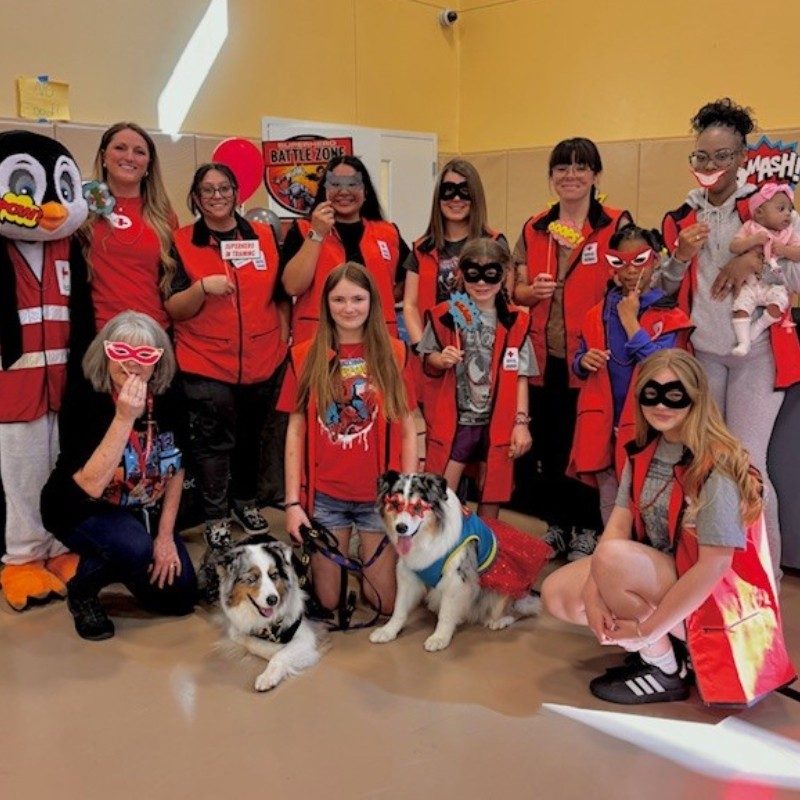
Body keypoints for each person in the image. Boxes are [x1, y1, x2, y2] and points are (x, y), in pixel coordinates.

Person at [541, 349, 795, 707]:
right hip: (669, 576)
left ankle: (663, 669)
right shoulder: (643, 451)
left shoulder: (715, 466)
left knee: (614, 559)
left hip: (716, 600)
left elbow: (714, 567)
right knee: (558, 593)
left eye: (675, 395)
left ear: (696, 398)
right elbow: (617, 526)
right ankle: (670, 646)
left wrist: (647, 629)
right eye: (651, 393)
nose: (661, 405)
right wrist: (595, 596)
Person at [661, 98, 800, 575]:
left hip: (757, 353)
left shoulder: (769, 205)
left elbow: (798, 273)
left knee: (748, 463)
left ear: (742, 157)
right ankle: (713, 572)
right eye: (702, 156)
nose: (711, 166)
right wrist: (679, 255)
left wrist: (756, 259)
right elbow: (663, 287)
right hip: (703, 354)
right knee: (709, 461)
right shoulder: (681, 215)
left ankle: (766, 573)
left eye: (722, 156)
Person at [41, 312, 197, 640]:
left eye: (144, 355)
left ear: (158, 362)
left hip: (141, 507)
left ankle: (121, 554)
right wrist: (125, 417)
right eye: (120, 353)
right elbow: (91, 485)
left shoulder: (170, 396)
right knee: (134, 548)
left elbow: (178, 467)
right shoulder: (86, 397)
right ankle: (82, 590)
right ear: (105, 353)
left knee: (180, 598)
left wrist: (166, 537)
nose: (132, 364)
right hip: (80, 507)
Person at [512, 137, 631, 560]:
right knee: (549, 444)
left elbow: (633, 279)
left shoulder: (616, 224)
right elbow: (517, 292)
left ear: (596, 175)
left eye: (581, 168)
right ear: (551, 177)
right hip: (546, 356)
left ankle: (587, 528)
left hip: (595, 357)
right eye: (562, 168)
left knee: (589, 446)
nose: (571, 176)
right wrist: (531, 290)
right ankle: (558, 525)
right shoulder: (535, 226)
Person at [279, 262, 418, 614]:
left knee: (384, 604)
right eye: (339, 299)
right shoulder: (304, 355)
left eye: (358, 298)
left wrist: (407, 492)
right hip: (327, 496)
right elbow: (295, 431)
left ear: (372, 302)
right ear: (326, 304)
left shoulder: (394, 352)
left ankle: (366, 561)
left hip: (378, 496)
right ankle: (340, 565)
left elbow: (407, 427)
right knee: (329, 603)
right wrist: (293, 504)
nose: (349, 308)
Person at [164, 163, 290, 548]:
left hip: (262, 359)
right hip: (206, 363)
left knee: (252, 439)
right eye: (207, 190)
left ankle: (245, 501)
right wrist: (202, 288)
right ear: (196, 198)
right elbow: (173, 307)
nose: (217, 196)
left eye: (224, 188)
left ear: (238, 193)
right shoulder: (181, 240)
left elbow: (282, 295)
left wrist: (282, 339)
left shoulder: (266, 236)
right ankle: (215, 515)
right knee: (213, 444)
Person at [568, 225, 692, 529]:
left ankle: (639, 561)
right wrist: (584, 361)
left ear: (656, 261)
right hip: (602, 422)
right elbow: (577, 360)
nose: (629, 271)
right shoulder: (596, 313)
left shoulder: (669, 314)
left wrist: (630, 320)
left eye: (640, 260)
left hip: (645, 426)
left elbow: (662, 368)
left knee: (642, 497)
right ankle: (612, 557)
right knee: (609, 497)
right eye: (619, 262)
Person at [418, 238, 536, 519]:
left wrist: (521, 423)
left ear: (505, 273)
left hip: (498, 421)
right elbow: (427, 359)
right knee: (442, 489)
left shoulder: (516, 322)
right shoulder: (446, 316)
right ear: (460, 273)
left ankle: (487, 548)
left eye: (491, 274)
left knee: (492, 488)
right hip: (458, 420)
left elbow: (521, 376)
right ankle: (439, 546)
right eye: (473, 274)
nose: (481, 283)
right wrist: (441, 358)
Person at [281, 155, 409, 343]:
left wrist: (377, 299)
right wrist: (316, 233)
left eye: (352, 184)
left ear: (365, 192)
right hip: (319, 343)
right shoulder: (302, 230)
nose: (344, 191)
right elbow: (292, 286)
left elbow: (409, 281)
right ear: (324, 190)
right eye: (335, 184)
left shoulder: (388, 232)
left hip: (378, 341)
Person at [81, 122, 177, 330]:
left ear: (149, 165)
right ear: (104, 157)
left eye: (139, 152)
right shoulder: (82, 210)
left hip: (153, 332)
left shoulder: (163, 215)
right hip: (100, 334)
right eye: (120, 148)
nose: (129, 157)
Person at [402, 159, 505, 348]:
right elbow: (410, 305)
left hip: (482, 347)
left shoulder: (494, 243)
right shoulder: (422, 248)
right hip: (434, 350)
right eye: (449, 191)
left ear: (475, 196)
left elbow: (505, 300)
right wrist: (423, 348)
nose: (456, 199)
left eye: (464, 191)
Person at [729, 182, 800, 356]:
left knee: (778, 307)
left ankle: (758, 327)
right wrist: (753, 240)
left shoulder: (789, 232)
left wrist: (783, 250)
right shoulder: (751, 227)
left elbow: (798, 253)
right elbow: (734, 246)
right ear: (759, 213)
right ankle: (743, 342)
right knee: (740, 308)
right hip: (751, 283)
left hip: (775, 283)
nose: (787, 215)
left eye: (789, 210)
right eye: (781, 209)